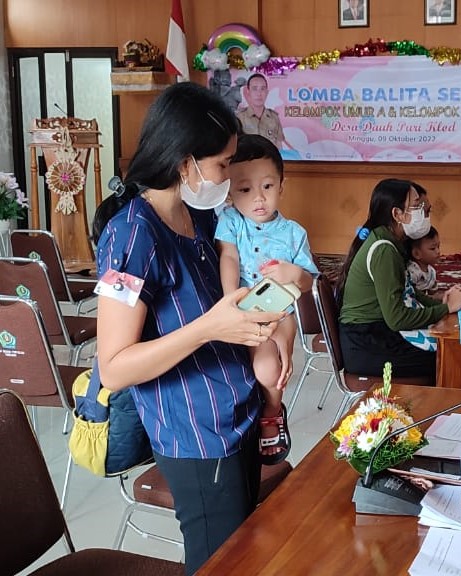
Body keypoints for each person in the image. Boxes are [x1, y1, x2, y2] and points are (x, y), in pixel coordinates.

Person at [90, 83, 284, 575]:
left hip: (238, 414)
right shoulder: (132, 235)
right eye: (223, 164)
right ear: (184, 163)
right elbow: (114, 368)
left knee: (246, 551)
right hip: (196, 435)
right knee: (221, 562)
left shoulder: (198, 217)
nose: (229, 176)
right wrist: (209, 327)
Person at [216, 133, 317, 463]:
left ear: (282, 186)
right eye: (245, 189)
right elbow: (229, 256)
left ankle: (273, 410)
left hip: (277, 315)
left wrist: (294, 273)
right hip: (241, 309)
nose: (258, 198)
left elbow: (309, 282)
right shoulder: (230, 221)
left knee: (268, 369)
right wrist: (230, 299)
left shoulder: (294, 233)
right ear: (230, 192)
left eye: (268, 186)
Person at [336, 178, 461, 383]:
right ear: (397, 214)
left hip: (374, 335)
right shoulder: (384, 250)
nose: (423, 213)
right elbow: (397, 319)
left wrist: (444, 302)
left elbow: (408, 294)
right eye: (417, 206)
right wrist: (446, 309)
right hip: (366, 343)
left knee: (451, 347)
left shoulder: (388, 241)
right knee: (451, 356)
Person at [237, 73, 285, 149]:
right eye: (254, 89)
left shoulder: (274, 118)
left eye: (262, 89)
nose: (259, 94)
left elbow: (279, 146)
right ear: (248, 92)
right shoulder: (239, 118)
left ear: (267, 92)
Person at [406, 226, 440, 293]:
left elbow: (433, 292)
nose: (438, 251)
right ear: (416, 254)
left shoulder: (432, 272)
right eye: (433, 248)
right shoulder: (412, 272)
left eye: (438, 247)